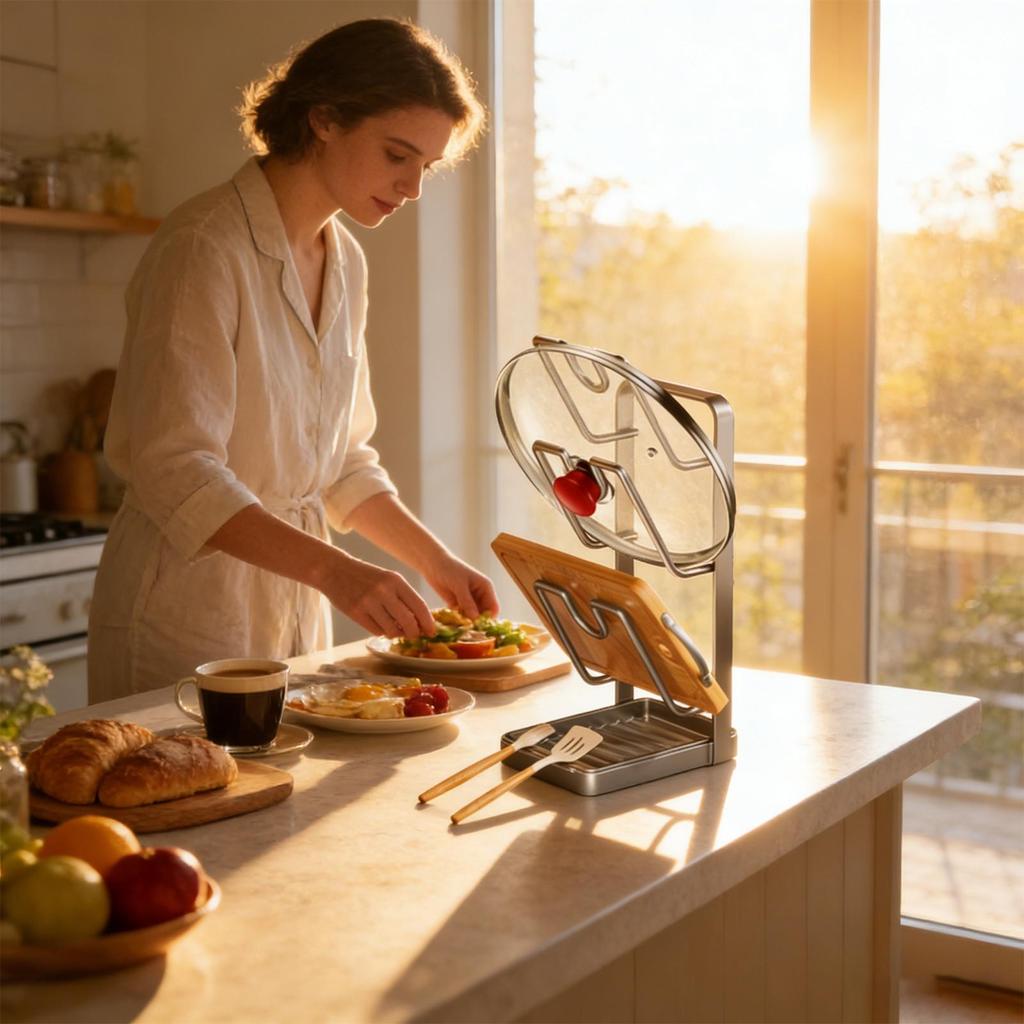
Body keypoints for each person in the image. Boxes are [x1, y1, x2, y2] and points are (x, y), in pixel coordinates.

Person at [88, 18, 497, 702]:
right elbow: (175, 469)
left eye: (425, 167)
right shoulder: (203, 247)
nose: (412, 189)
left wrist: (436, 561)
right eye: (397, 155)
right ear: (325, 120)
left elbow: (340, 461)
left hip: (295, 610)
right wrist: (338, 573)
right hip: (187, 607)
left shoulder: (346, 262)